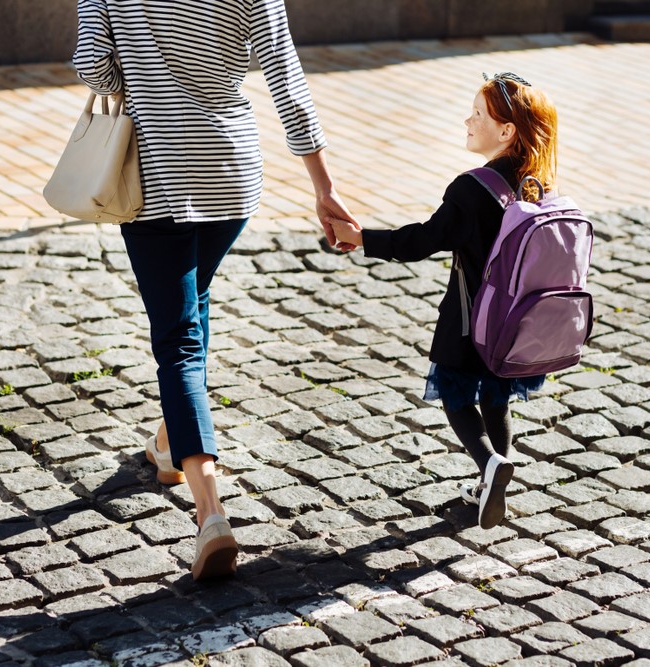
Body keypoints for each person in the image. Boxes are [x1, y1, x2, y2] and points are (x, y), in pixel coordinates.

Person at [73, 0, 357, 579]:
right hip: (230, 173)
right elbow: (284, 76)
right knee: (191, 310)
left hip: (157, 176)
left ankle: (210, 514)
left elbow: (94, 68)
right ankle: (167, 443)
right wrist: (324, 188)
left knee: (177, 339)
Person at [328, 72, 556, 530]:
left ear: (506, 131)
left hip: (470, 320)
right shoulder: (535, 183)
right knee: (496, 399)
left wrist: (362, 238)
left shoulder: (471, 189)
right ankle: (495, 480)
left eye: (477, 114)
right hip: (515, 324)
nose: (467, 120)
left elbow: (421, 241)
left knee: (456, 396)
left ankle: (490, 464)